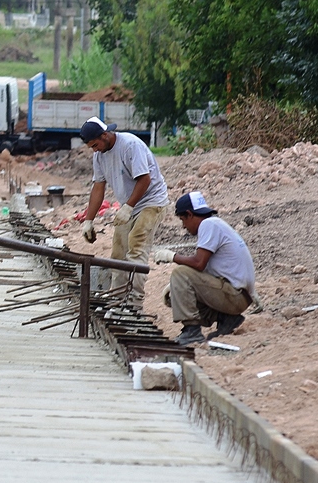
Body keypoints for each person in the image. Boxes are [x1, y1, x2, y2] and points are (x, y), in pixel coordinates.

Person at [79, 116, 168, 303]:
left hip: (151, 202)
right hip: (129, 205)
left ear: (105, 135)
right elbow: (98, 187)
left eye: (95, 145)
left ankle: (134, 303)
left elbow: (145, 179)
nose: (94, 150)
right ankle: (118, 300)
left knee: (136, 250)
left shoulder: (130, 145)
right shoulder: (99, 156)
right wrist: (88, 220)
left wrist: (128, 207)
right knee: (118, 254)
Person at [154, 191, 256, 345]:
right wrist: (176, 288)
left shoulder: (208, 225)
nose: (183, 226)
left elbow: (198, 263)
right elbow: (207, 269)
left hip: (235, 296)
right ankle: (226, 319)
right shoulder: (215, 223)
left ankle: (191, 331)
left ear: (189, 214)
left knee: (180, 274)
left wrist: (171, 256)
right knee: (179, 288)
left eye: (183, 220)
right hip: (239, 296)